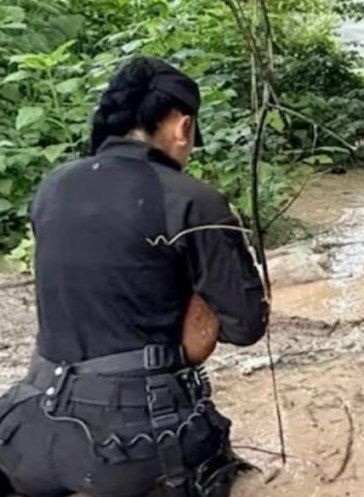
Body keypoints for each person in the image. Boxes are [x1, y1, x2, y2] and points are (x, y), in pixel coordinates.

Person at [0, 56, 269, 497]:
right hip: (131, 449)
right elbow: (245, 326)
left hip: (27, 430)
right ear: (182, 126)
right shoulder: (194, 203)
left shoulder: (53, 185)